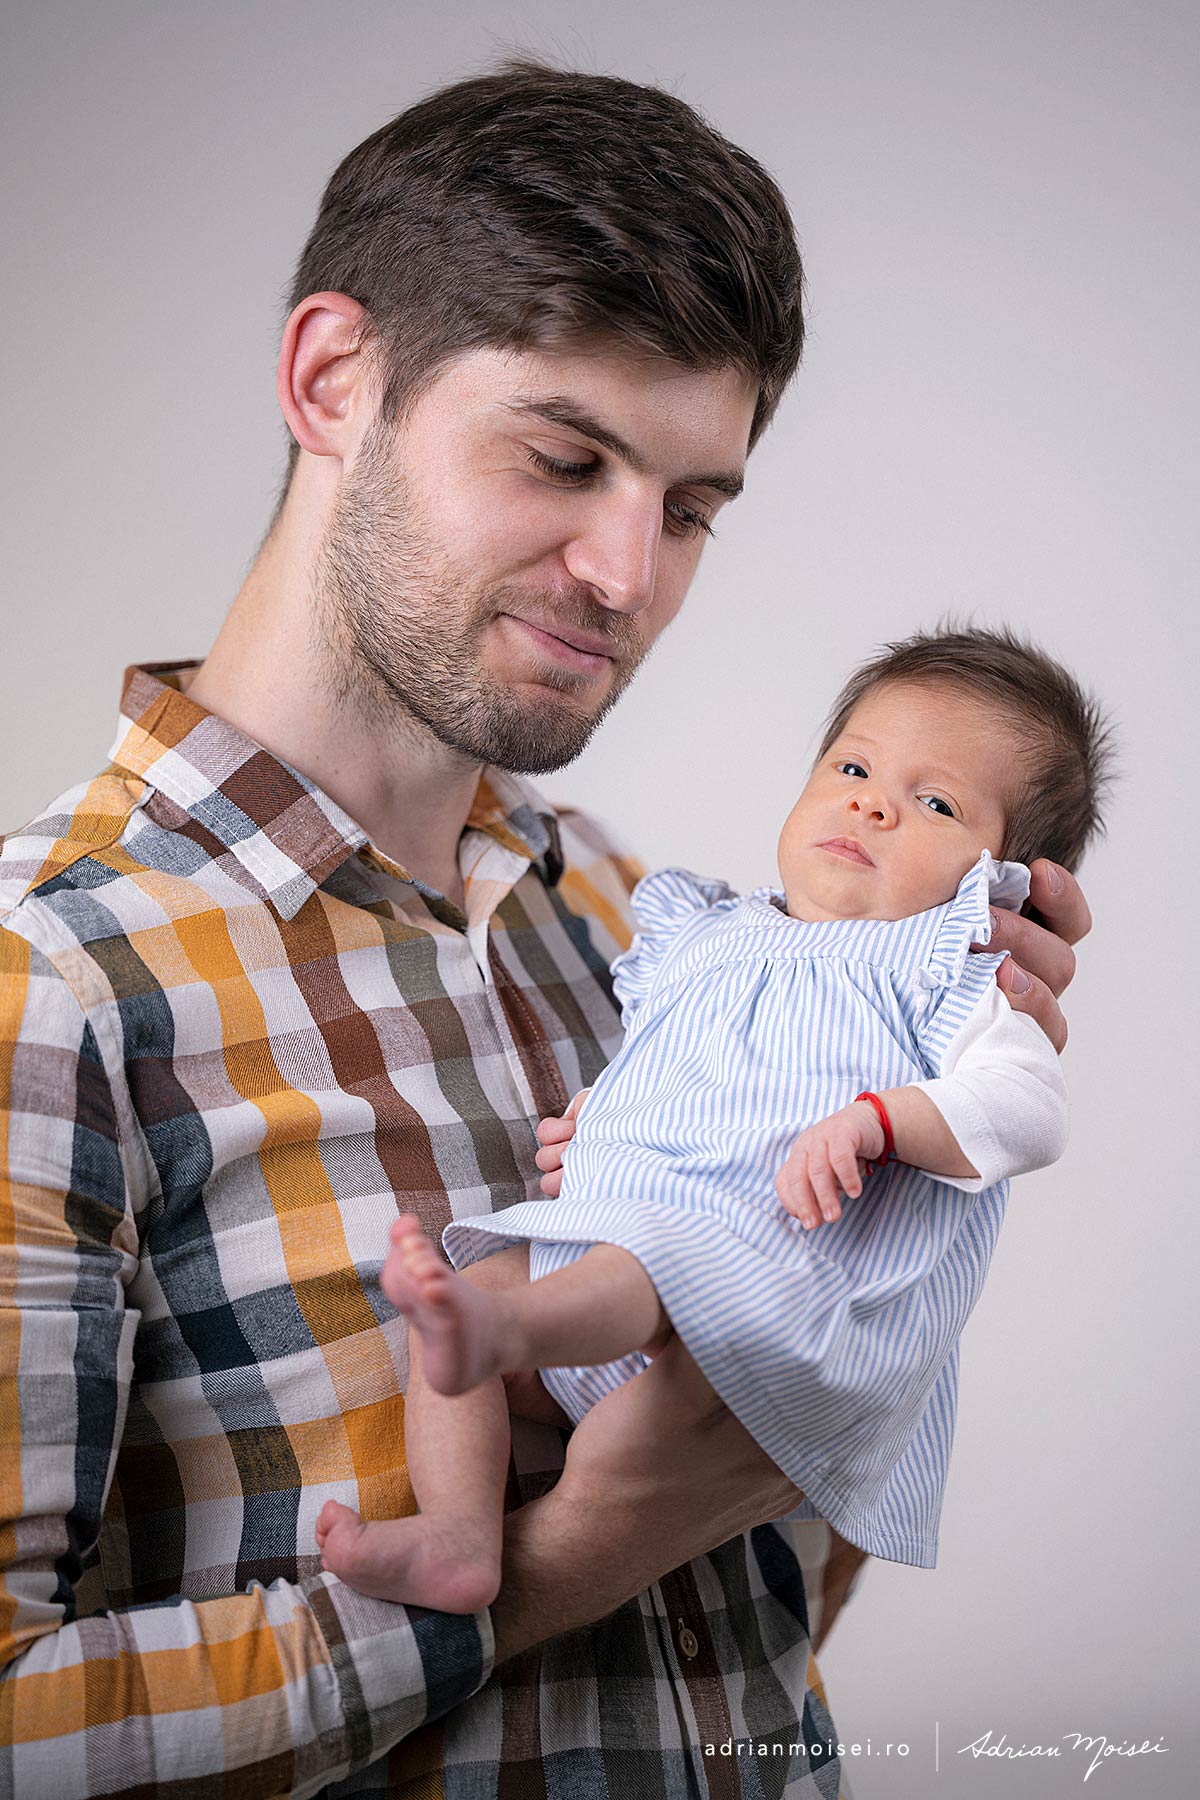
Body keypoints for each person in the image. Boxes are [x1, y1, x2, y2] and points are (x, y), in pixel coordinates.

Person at [0, 60, 1091, 1800]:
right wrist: (563, 1559)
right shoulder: (46, 982)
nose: (627, 572)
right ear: (333, 381)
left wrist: (926, 1141)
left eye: (691, 506)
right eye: (565, 458)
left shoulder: (625, 914)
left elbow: (756, 1607)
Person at [312, 627, 1108, 1610]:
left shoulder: (954, 973)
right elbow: (671, 1071)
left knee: (623, 1264)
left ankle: (495, 1329)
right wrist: (597, 1132)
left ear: (1004, 883)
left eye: (934, 801)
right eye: (853, 766)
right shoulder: (705, 933)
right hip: (617, 1283)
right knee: (477, 1275)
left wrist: (886, 1121)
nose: (872, 801)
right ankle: (458, 1536)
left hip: (761, 1300)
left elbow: (1029, 1112)